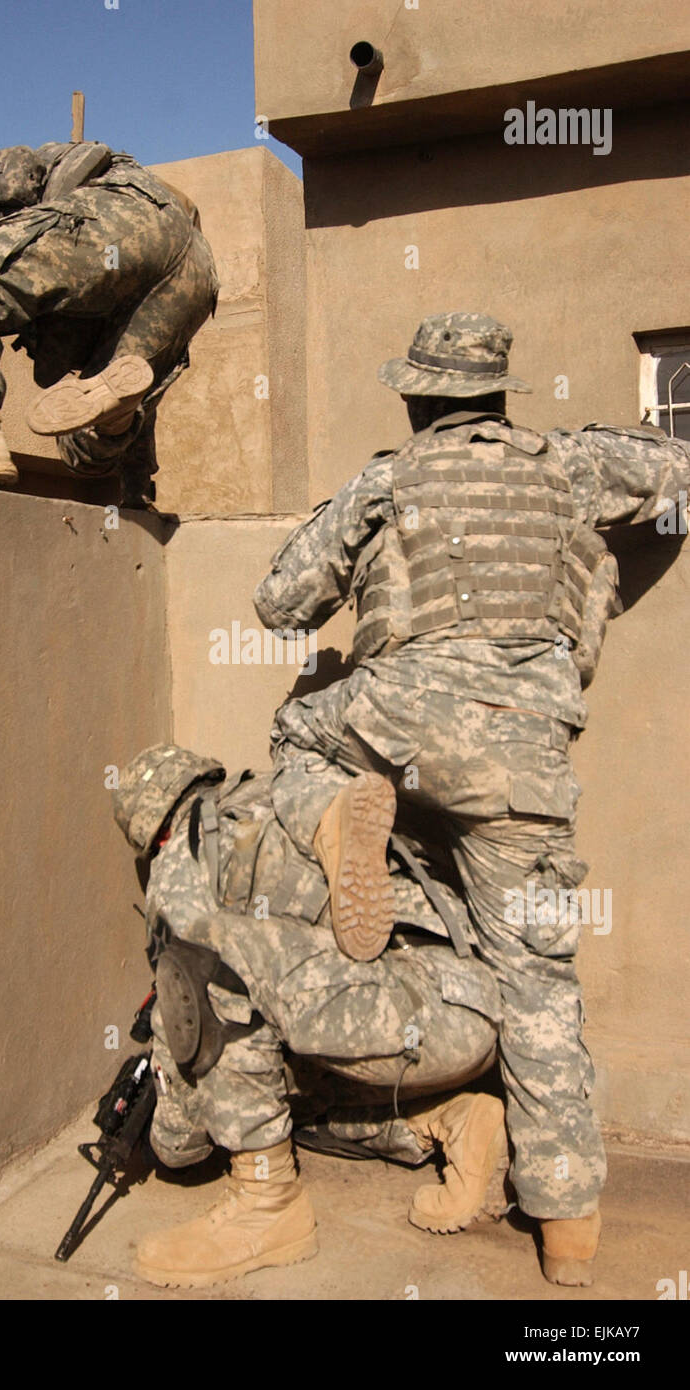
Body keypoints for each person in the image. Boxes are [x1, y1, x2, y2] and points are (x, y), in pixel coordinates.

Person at [253, 312, 690, 1286]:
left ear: (416, 397)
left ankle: (332, 819)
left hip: (393, 719)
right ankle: (568, 1224)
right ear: (499, 398)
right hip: (526, 746)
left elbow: (278, 602)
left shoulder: (383, 480)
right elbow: (677, 473)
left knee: (293, 731)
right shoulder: (571, 463)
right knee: (539, 978)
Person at [112, 742, 512, 1289]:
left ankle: (265, 1202)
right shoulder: (278, 791)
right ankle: (449, 1117)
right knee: (282, 1086)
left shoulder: (178, 865)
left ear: (149, 828)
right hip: (467, 1002)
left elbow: (188, 1059)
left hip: (395, 1012)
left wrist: (165, 1133)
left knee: (212, 969)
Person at [0, 134, 219, 503]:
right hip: (196, 270)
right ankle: (127, 461)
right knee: (85, 439)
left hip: (126, 212)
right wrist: (136, 493)